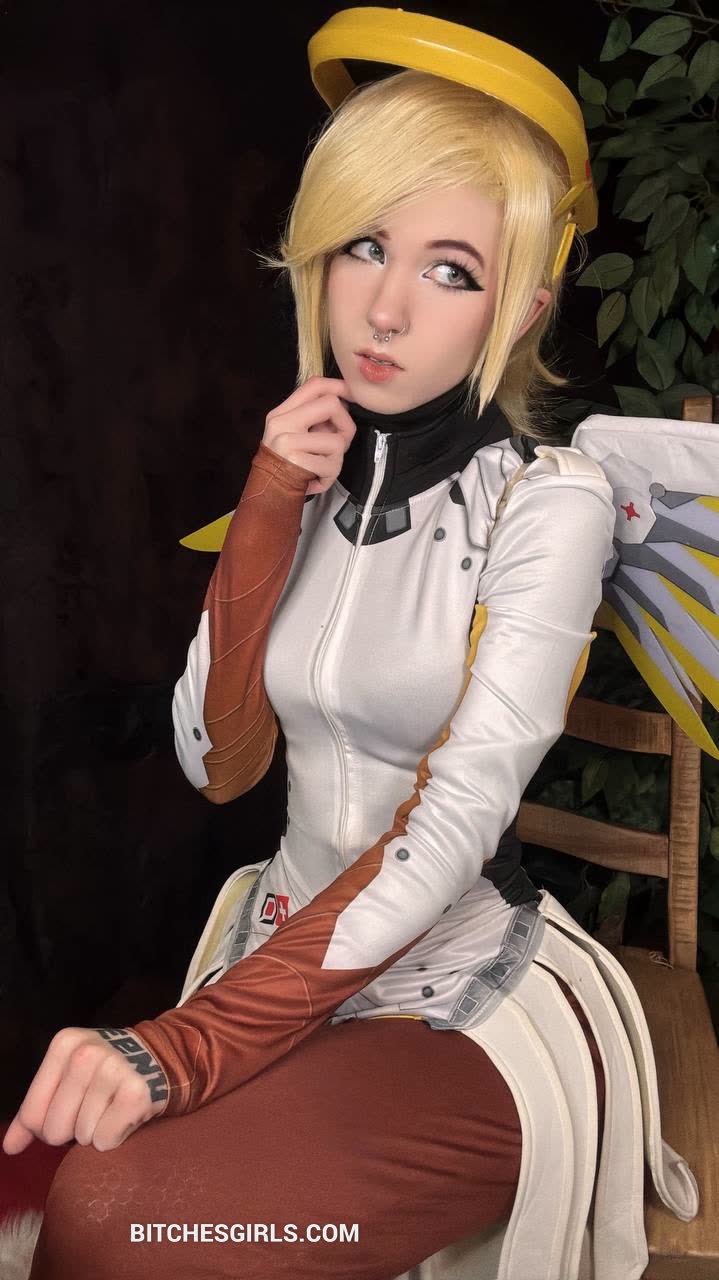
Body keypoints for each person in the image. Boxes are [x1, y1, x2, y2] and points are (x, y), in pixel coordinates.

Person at [3, 9, 700, 1280]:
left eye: (450, 269)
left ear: (522, 306)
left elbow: (454, 816)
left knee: (119, 1218)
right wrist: (268, 505)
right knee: (88, 1197)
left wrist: (184, 1045)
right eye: (364, 245)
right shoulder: (306, 480)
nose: (383, 304)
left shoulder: (548, 505)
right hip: (276, 940)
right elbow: (217, 760)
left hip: (459, 991)